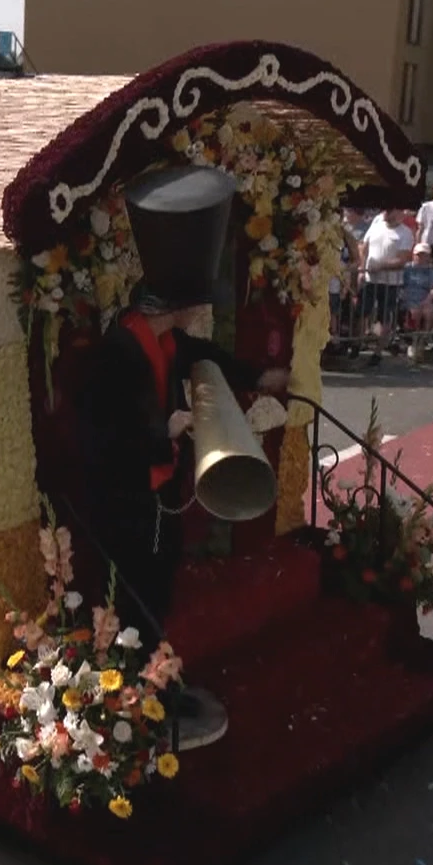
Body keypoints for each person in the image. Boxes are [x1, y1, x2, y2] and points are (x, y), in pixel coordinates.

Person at [77, 165, 288, 753]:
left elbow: (209, 353)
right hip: (124, 506)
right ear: (177, 302)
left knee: (159, 598)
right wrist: (159, 431)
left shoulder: (171, 339)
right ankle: (133, 701)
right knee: (135, 605)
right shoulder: (118, 351)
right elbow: (99, 434)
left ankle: (154, 687)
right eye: (199, 301)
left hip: (160, 499)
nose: (203, 312)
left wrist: (257, 377)